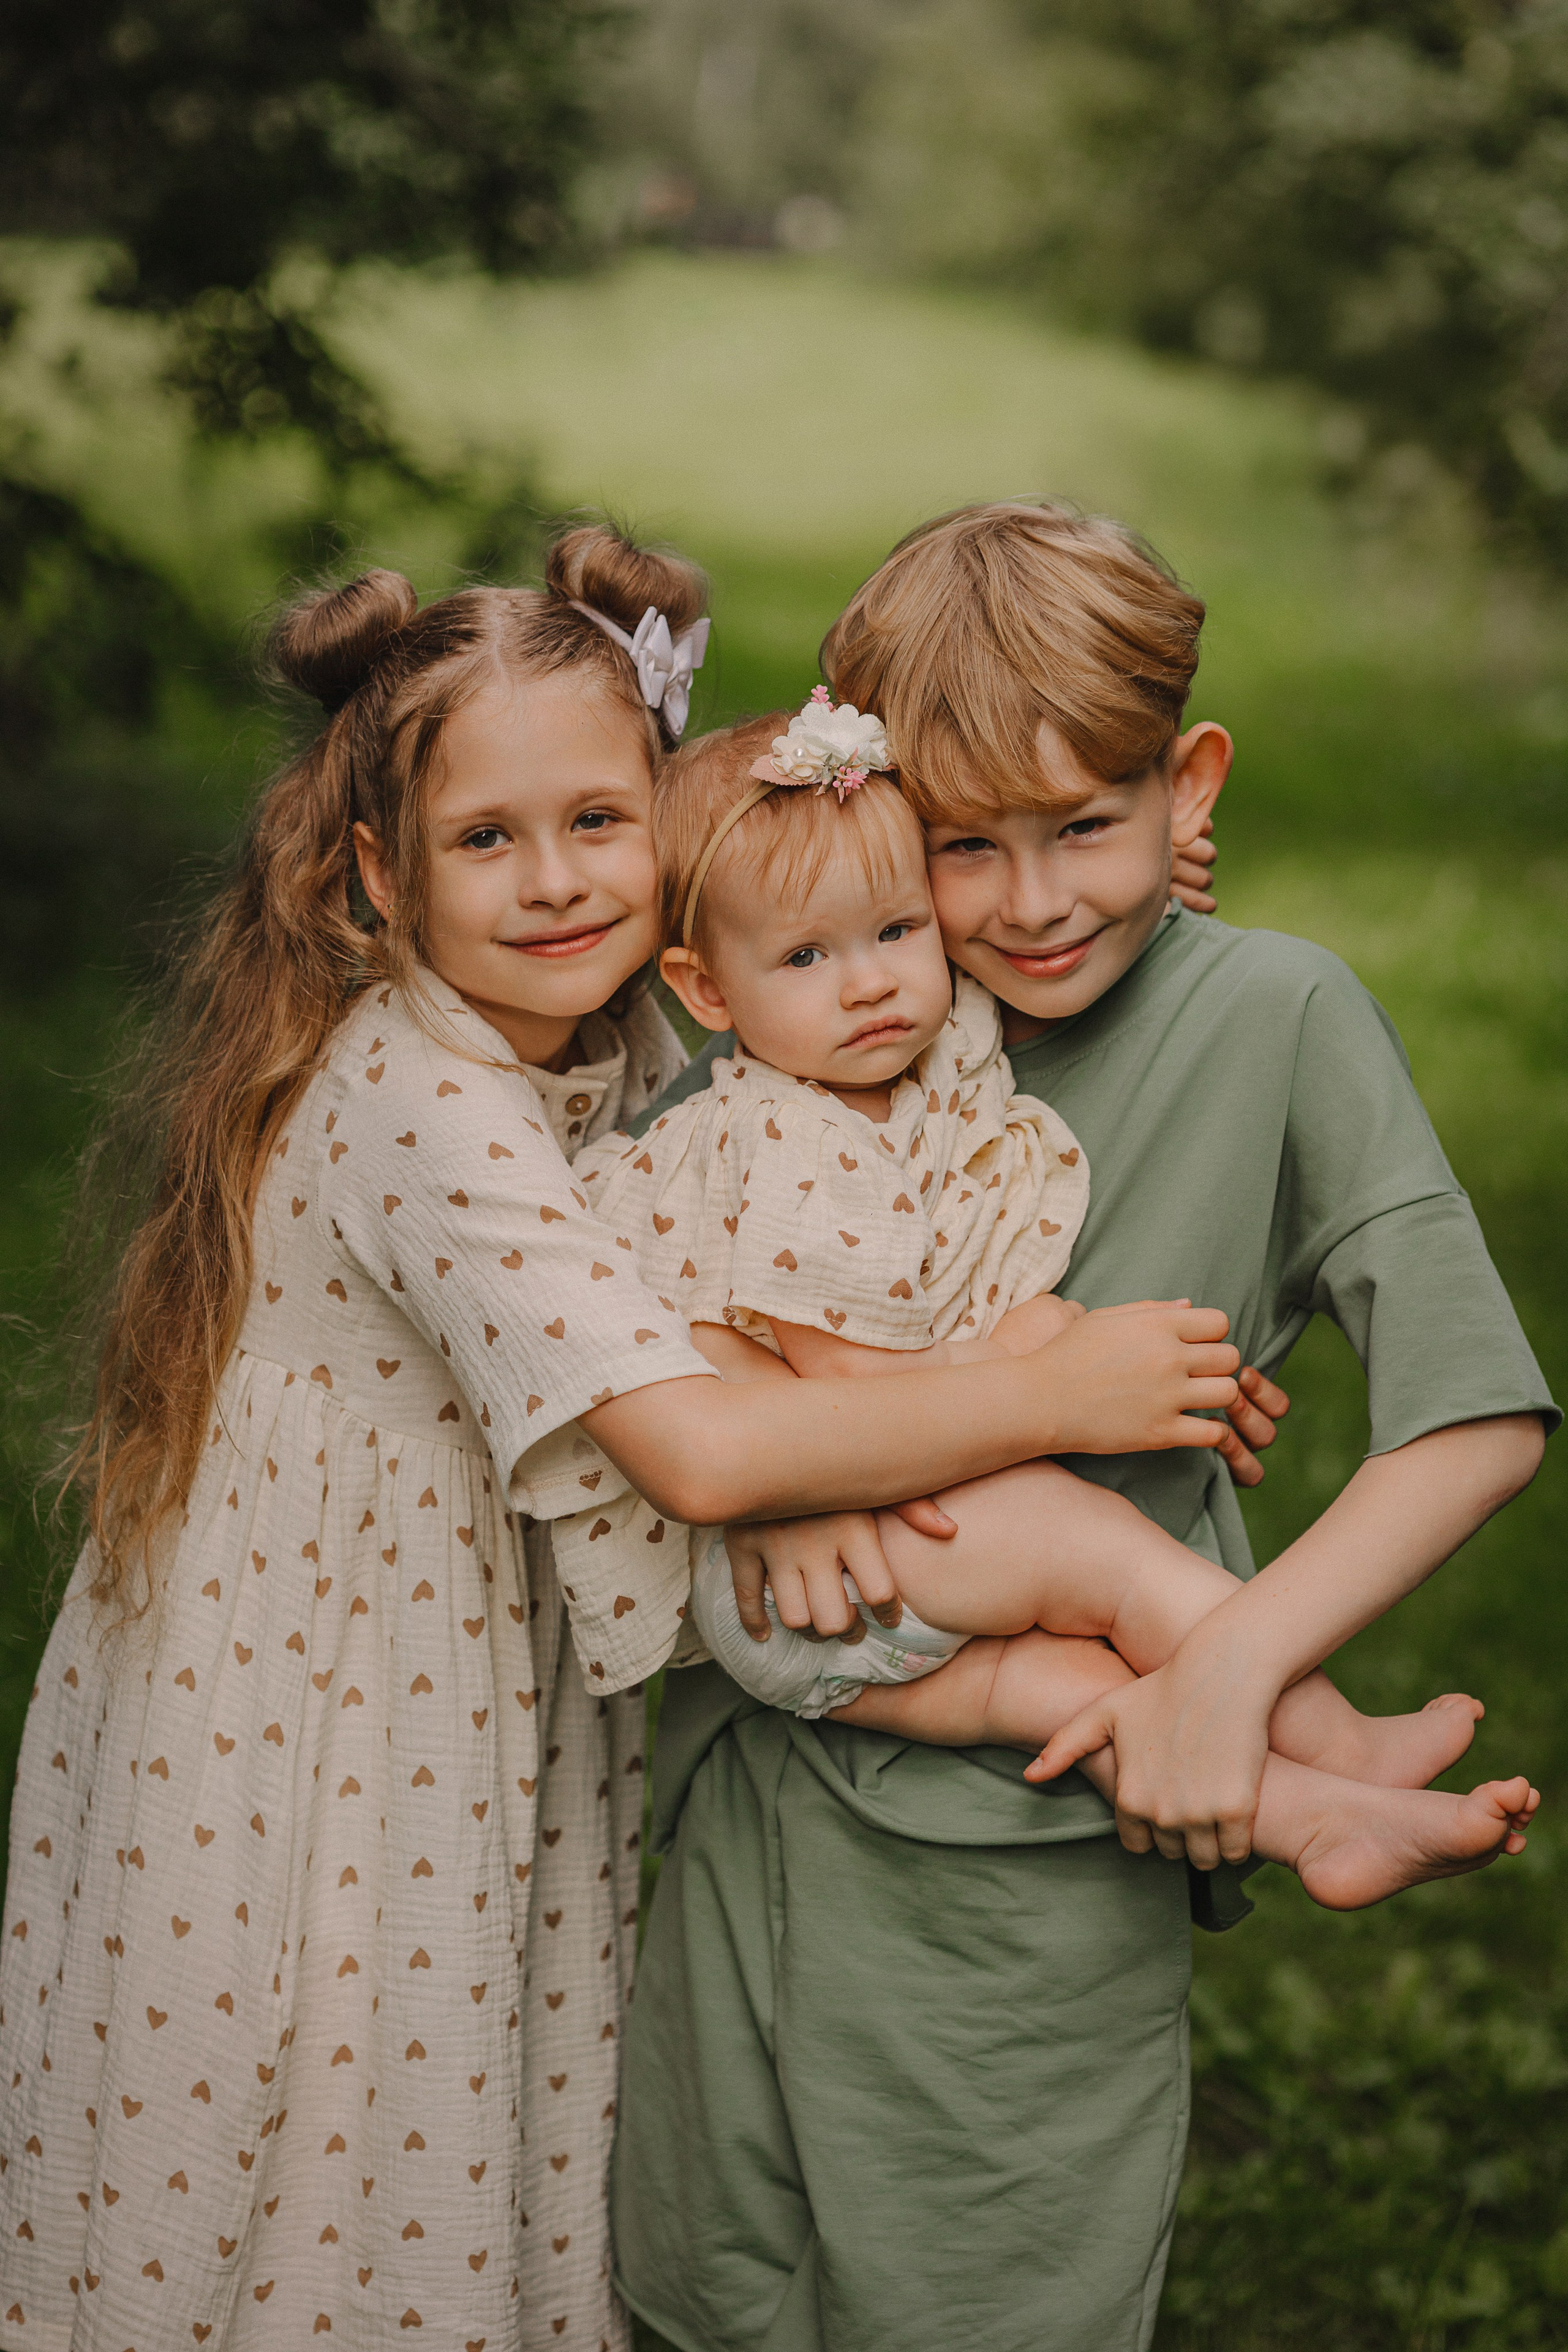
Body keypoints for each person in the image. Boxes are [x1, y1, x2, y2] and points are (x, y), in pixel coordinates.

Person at [0, 521, 1245, 2352]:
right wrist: (1058, 1395)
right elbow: (704, 1463)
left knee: (461, 2100)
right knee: (325, 2136)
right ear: (375, 871)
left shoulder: (610, 1029)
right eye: (483, 840)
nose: (559, 879)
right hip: (324, 1714)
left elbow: (832, 972)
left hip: (463, 1681)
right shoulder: (425, 1105)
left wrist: (1136, 868)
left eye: (600, 821)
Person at [611, 501, 1556, 2352]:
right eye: (964, 848)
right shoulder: (833, 993)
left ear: (1184, 788)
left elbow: (1480, 1417)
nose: (1030, 905)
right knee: (708, 2291)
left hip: (1036, 1858)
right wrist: (771, 1439)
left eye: (1090, 830)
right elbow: (656, 1280)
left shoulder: (1274, 1017)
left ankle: (1312, 1760)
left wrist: (1242, 1668)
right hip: (752, 1803)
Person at [562, 692, 1534, 1911]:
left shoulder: (912, 1042)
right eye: (807, 956)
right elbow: (848, 1388)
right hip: (819, 1565)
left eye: (896, 931)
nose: (869, 985)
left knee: (1075, 1698)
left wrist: (1145, 856)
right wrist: (1051, 1378)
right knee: (1104, 1561)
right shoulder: (769, 1144)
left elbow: (1011, 941)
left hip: (860, 1618)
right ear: (707, 993)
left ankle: (1314, 1819)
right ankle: (1331, 1730)